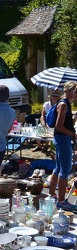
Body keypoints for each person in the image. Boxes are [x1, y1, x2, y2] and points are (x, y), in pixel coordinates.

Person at [49, 81, 77, 211]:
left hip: (61, 138)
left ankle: (51, 196)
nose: (76, 93)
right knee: (65, 169)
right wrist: (72, 133)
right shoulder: (64, 105)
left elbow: (64, 124)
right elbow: (59, 126)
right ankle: (61, 201)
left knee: (59, 168)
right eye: (75, 91)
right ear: (67, 91)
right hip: (62, 138)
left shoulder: (66, 104)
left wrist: (73, 119)